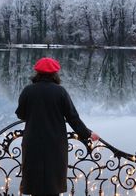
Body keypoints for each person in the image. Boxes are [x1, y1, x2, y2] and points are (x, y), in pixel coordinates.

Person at [15, 57, 100, 196]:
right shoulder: (60, 92)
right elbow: (73, 118)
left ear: (37, 73)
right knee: (53, 180)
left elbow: (21, 114)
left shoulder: (28, 91)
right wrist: (88, 134)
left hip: (33, 142)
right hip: (55, 143)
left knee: (34, 180)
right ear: (55, 74)